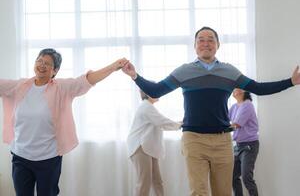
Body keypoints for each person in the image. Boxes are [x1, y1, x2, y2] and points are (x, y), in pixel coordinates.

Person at [121, 26, 300, 196]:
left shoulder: (229, 72)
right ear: (195, 46)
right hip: (194, 139)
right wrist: (135, 76)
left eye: (210, 40)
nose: (206, 43)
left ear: (217, 45)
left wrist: (291, 81)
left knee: (222, 192)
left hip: (222, 141)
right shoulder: (184, 71)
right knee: (199, 192)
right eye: (201, 40)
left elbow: (258, 88)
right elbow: (156, 90)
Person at [0, 48, 128, 196]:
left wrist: (113, 67)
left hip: (48, 158)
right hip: (20, 156)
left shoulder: (61, 87)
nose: (42, 65)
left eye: (47, 63)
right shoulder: (21, 86)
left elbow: (87, 80)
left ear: (55, 70)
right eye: (39, 60)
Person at [127, 89, 181, 196]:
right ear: (148, 93)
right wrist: (180, 125)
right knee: (144, 182)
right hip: (140, 147)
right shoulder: (146, 107)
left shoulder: (149, 107)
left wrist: (179, 124)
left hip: (147, 148)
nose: (159, 92)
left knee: (157, 181)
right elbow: (162, 122)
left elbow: (162, 122)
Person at [229, 89, 259, 196]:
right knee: (232, 176)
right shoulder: (233, 107)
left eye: (237, 87)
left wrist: (221, 127)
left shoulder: (247, 105)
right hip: (238, 146)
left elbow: (236, 124)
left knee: (247, 177)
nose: (234, 89)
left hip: (249, 145)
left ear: (244, 90)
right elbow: (223, 118)